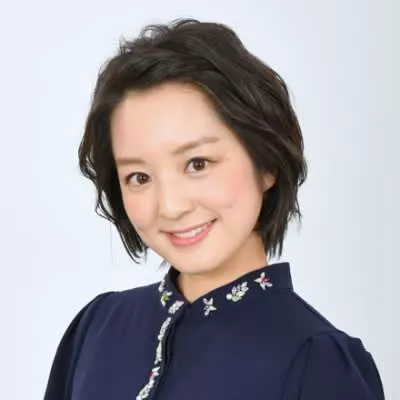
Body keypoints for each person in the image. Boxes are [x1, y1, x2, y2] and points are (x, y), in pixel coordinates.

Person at [43, 18, 385, 400]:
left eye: (198, 164)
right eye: (139, 177)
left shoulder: (317, 360)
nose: (171, 206)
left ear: (266, 163)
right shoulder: (97, 327)